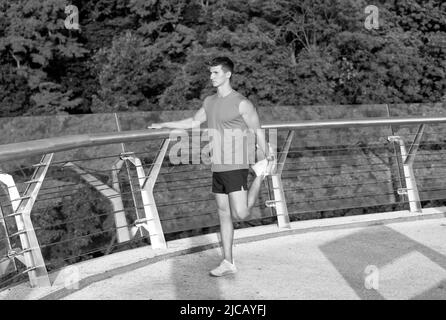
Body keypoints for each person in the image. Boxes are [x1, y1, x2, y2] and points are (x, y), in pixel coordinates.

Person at [148, 56, 275, 276]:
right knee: (223, 214)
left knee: (242, 213)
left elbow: (257, 130)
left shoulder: (242, 103)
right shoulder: (209, 101)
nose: (211, 77)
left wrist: (269, 155)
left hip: (236, 165)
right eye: (210, 72)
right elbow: (193, 122)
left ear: (228, 74)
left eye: (215, 72)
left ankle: (259, 175)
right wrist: (163, 124)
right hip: (217, 166)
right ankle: (228, 261)